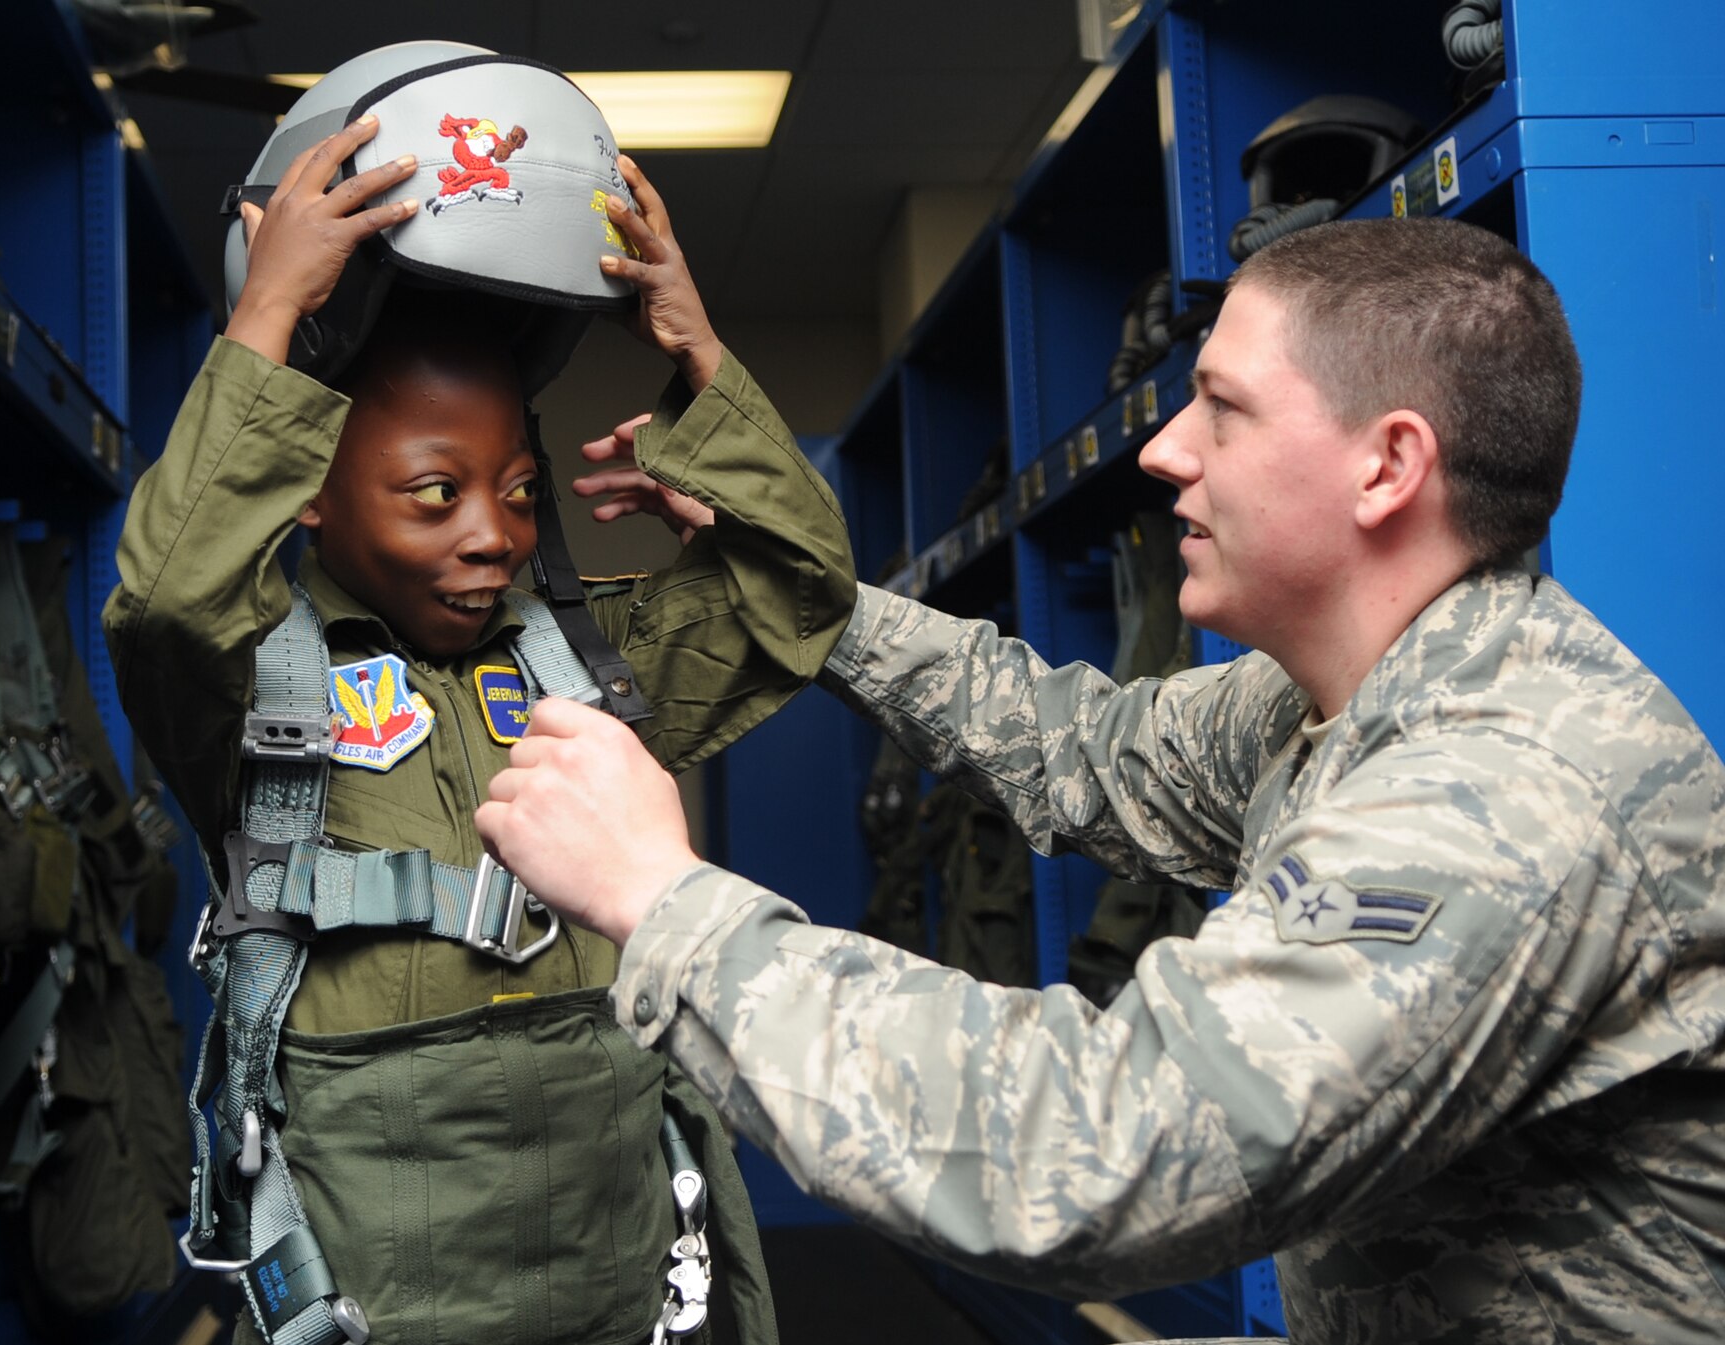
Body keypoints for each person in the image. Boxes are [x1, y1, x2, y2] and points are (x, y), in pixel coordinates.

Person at [475, 216, 1725, 1343]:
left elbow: (1097, 1149)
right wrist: (813, 600)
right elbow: (1077, 749)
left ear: (1384, 466)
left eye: (1221, 410)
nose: (1165, 451)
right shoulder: (1332, 698)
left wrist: (662, 897)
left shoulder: (1504, 793)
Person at [104, 69, 857, 1345]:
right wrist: (272, 309)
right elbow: (168, 596)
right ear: (307, 496)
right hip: (375, 1290)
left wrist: (695, 349)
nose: (488, 537)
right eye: (430, 491)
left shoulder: (585, 665)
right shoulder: (246, 682)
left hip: (611, 1271)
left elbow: (801, 588)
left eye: (515, 489)